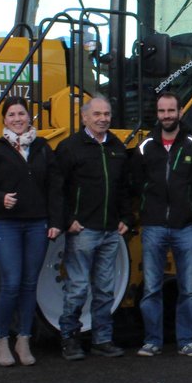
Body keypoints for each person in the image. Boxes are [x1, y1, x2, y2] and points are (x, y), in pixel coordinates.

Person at [0, 97, 62, 367]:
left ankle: (24, 340)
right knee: (11, 283)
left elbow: (55, 186)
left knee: (29, 284)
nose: (17, 119)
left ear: (29, 117)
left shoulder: (42, 148)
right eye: (11, 115)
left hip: (37, 224)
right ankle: (2, 340)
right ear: (4, 120)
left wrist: (55, 221)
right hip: (8, 224)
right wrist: (0, 198)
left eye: (21, 114)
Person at [131, 92, 192, 358]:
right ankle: (152, 341)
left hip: (185, 227)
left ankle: (187, 341)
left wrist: (190, 208)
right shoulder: (145, 147)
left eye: (171, 110)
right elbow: (135, 183)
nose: (166, 115)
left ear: (179, 112)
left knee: (188, 289)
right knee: (151, 288)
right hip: (154, 225)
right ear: (157, 114)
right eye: (162, 111)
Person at [54, 95, 132, 360]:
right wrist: (67, 220)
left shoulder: (117, 148)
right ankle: (69, 339)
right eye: (97, 114)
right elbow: (57, 189)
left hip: (110, 230)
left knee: (105, 289)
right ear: (84, 117)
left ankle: (102, 339)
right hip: (83, 230)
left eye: (107, 114)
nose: (103, 119)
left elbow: (124, 187)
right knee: (77, 287)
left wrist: (125, 217)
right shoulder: (70, 148)